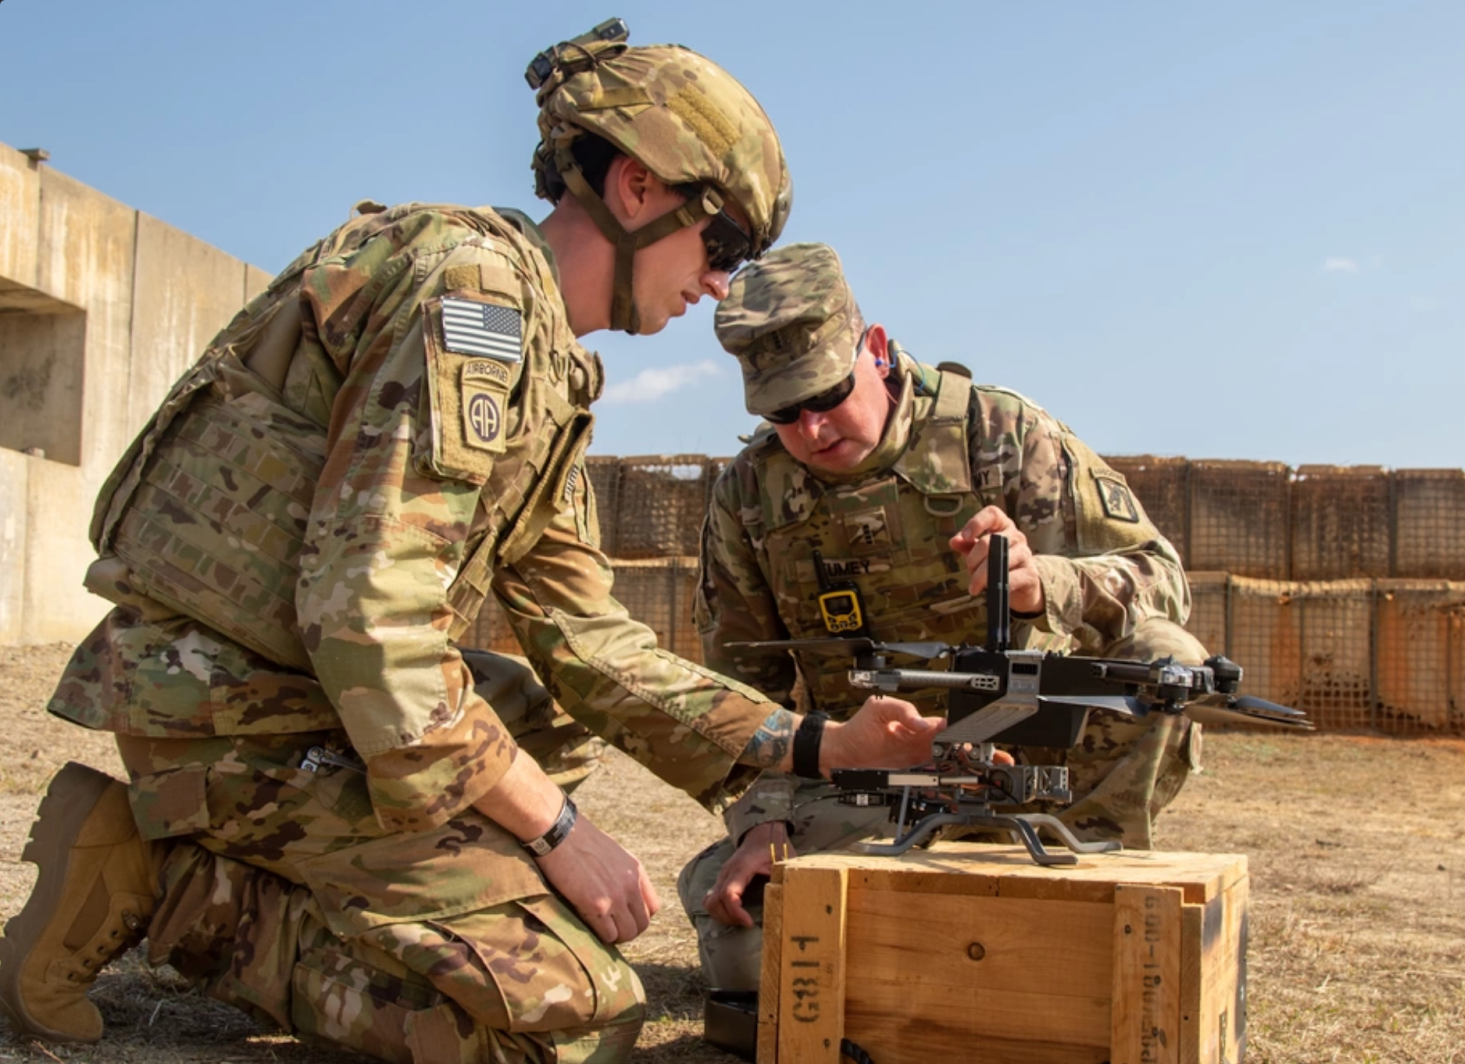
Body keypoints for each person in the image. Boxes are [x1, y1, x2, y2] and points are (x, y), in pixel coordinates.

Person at [0, 31, 945, 1064]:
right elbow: (373, 623)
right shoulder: (475, 299)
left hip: (309, 696)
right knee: (568, 1025)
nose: (719, 286)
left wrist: (815, 744)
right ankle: (174, 883)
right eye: (720, 246)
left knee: (539, 720)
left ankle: (346, 888)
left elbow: (589, 643)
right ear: (637, 188)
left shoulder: (546, 361)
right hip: (229, 705)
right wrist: (556, 834)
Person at [677, 242, 1207, 992]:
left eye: (826, 396)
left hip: (1029, 767)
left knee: (1160, 659)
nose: (812, 431)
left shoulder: (1001, 435)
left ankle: (1080, 894)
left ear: (878, 350)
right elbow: (735, 696)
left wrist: (1042, 583)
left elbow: (1162, 580)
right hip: (865, 788)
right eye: (783, 412)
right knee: (755, 966)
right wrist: (768, 817)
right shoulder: (751, 497)